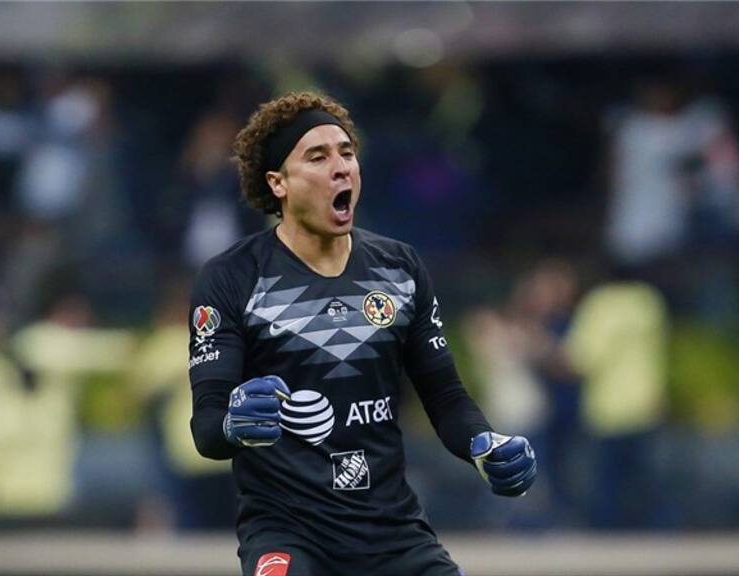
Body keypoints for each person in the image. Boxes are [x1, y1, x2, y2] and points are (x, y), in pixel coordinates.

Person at [188, 91, 536, 576]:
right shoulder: (233, 277)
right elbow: (207, 426)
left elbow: (445, 398)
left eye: (347, 153)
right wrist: (232, 423)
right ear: (278, 183)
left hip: (393, 533)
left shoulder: (399, 268)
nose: (341, 168)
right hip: (289, 534)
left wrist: (485, 445)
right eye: (318, 157)